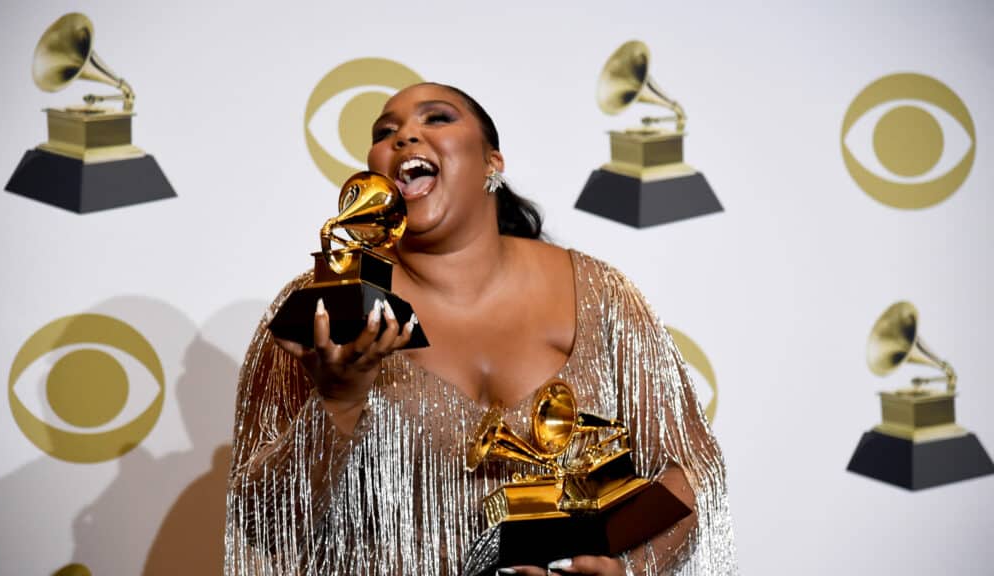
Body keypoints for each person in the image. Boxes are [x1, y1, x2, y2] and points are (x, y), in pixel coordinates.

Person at [225, 83, 737, 575]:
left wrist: (629, 569)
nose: (403, 137)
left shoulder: (601, 293)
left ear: (493, 162)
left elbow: (690, 471)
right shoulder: (327, 309)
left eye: (437, 118)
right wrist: (336, 404)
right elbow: (263, 525)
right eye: (385, 132)